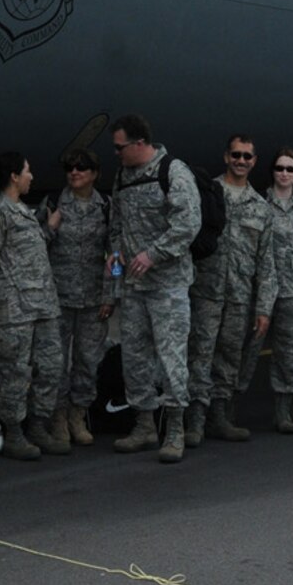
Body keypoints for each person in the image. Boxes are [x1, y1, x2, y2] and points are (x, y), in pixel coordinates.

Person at [107, 114, 202, 463]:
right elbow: (116, 222)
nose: (116, 153)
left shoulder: (173, 172)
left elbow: (188, 225)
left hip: (168, 286)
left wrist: (153, 254)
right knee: (134, 357)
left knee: (171, 357)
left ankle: (175, 429)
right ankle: (144, 425)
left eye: (120, 147)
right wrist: (115, 252)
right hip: (134, 286)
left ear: (139, 143)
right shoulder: (122, 177)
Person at [0, 152, 68, 461]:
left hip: (43, 306)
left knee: (50, 367)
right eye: (27, 171)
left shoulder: (23, 211)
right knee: (15, 372)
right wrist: (1, 286)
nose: (31, 177)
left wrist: (49, 229)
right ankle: (14, 433)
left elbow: (28, 251)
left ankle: (38, 426)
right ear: (14, 176)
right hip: (15, 310)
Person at [185, 134, 277, 445]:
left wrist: (264, 308)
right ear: (226, 157)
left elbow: (266, 262)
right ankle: (195, 421)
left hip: (239, 296)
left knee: (228, 357)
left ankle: (220, 417)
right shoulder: (207, 194)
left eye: (247, 156)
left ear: (254, 161)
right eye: (236, 155)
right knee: (200, 354)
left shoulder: (261, 207)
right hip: (205, 291)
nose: (241, 161)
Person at [242, 146, 293, 433]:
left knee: (289, 353)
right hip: (261, 291)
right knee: (248, 348)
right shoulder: (257, 203)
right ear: (272, 171)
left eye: (290, 169)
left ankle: (283, 411)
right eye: (280, 168)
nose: (285, 173)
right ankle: (228, 407)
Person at [45, 146, 116, 446]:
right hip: (58, 298)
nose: (74, 172)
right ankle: (58, 417)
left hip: (93, 300)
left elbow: (115, 256)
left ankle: (78, 415)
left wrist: (110, 295)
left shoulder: (106, 207)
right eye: (70, 168)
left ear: (95, 174)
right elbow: (36, 247)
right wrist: (50, 227)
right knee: (55, 363)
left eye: (82, 167)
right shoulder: (53, 204)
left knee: (88, 361)